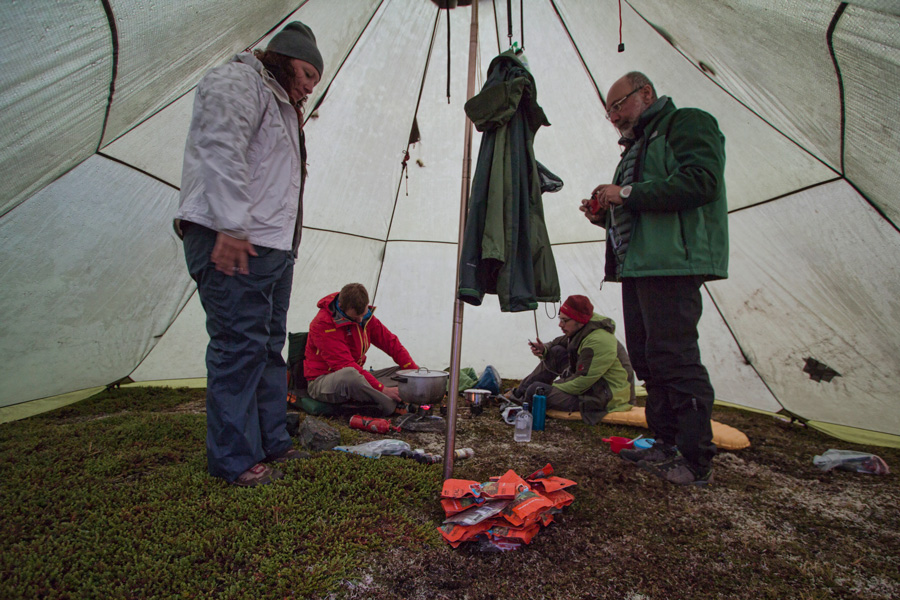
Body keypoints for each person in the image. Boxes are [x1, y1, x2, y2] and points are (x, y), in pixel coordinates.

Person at [173, 22, 324, 487]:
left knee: (267, 347)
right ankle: (235, 459)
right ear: (281, 58)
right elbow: (220, 148)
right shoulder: (239, 81)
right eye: (305, 73)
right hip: (233, 237)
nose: (308, 86)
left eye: (315, 81)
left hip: (272, 248)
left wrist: (288, 248)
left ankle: (271, 439)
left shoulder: (284, 108)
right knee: (238, 346)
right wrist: (232, 224)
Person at [580, 72, 728, 486]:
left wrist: (624, 194)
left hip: (672, 263)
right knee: (648, 358)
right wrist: (604, 214)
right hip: (638, 266)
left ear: (646, 93)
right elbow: (642, 207)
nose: (613, 117)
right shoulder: (636, 147)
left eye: (618, 104)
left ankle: (697, 460)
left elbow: (702, 181)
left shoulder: (687, 123)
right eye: (608, 110)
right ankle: (665, 442)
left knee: (676, 357)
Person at [505, 295, 635, 425]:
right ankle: (518, 394)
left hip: (603, 396)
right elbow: (558, 342)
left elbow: (582, 382)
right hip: (592, 385)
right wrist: (544, 349)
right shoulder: (582, 329)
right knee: (554, 352)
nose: (560, 324)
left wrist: (552, 387)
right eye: (560, 319)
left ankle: (525, 403)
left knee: (536, 391)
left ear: (579, 320)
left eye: (565, 320)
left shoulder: (598, 341)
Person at [304, 283, 419, 417]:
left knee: (403, 373)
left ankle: (389, 394)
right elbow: (344, 365)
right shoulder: (323, 324)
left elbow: (391, 343)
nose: (360, 320)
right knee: (350, 376)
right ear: (341, 307)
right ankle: (393, 406)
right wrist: (382, 389)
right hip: (324, 382)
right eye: (354, 318)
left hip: (357, 376)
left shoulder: (364, 316)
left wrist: (416, 375)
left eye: (362, 315)